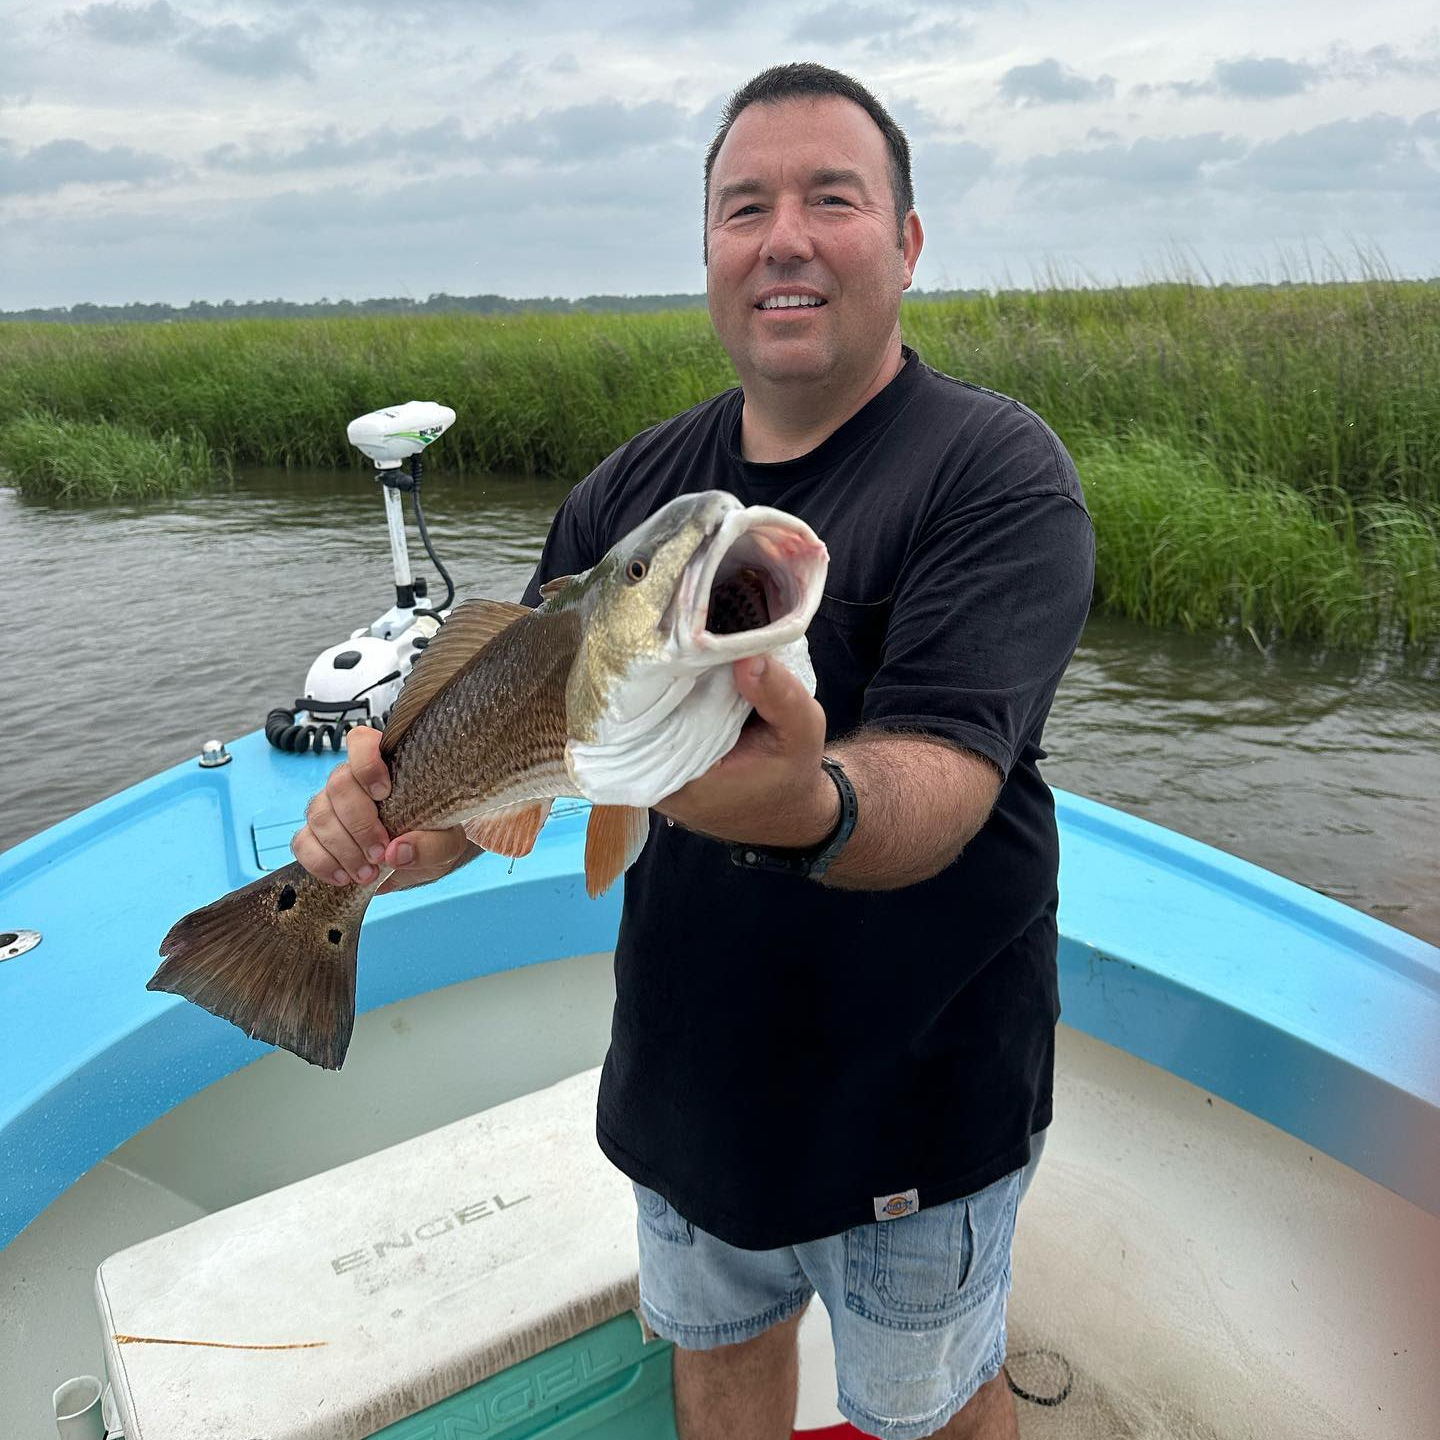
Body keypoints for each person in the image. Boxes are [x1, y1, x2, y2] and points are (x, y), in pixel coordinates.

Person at [293, 62, 1093, 1440]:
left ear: (905, 244)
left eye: (831, 198)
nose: (783, 235)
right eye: (744, 206)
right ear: (712, 255)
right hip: (689, 1088)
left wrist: (810, 803)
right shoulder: (620, 495)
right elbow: (521, 776)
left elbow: (946, 783)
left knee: (938, 1402)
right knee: (718, 1362)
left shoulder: (993, 474)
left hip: (922, 1093)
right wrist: (380, 838)